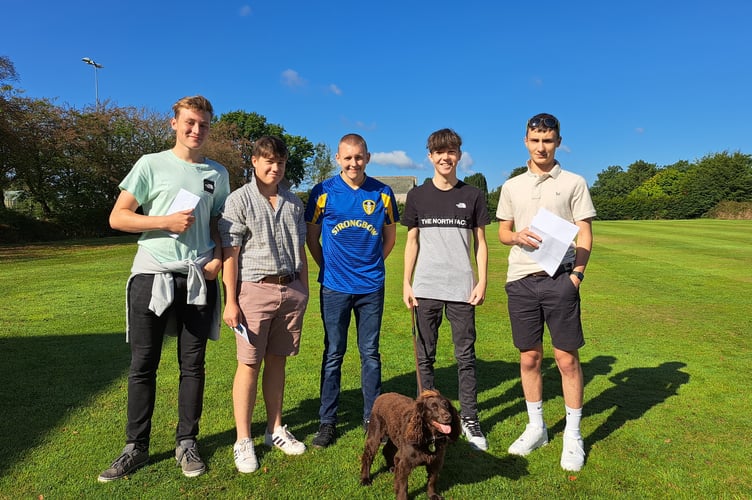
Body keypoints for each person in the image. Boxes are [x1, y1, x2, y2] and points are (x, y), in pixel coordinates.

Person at [98, 95, 230, 482]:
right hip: (151, 276)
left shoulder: (217, 173)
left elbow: (218, 223)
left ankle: (186, 442)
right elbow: (118, 217)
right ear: (174, 123)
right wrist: (165, 222)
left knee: (193, 366)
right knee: (143, 366)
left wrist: (218, 258)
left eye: (203, 124)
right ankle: (134, 447)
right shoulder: (150, 164)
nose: (196, 130)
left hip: (197, 278)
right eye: (190, 122)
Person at [497, 113, 596, 471]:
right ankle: (537, 427)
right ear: (526, 141)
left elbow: (584, 233)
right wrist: (516, 236)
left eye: (548, 140)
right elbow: (503, 232)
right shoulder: (512, 186)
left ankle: (573, 435)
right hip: (521, 280)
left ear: (558, 142)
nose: (542, 147)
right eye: (535, 140)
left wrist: (577, 276)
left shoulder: (574, 182)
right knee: (529, 358)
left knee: (567, 359)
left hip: (560, 279)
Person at [219, 135, 309, 473]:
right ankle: (243, 440)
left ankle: (275, 430)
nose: (275, 167)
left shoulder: (294, 202)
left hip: (291, 289)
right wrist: (230, 301)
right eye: (268, 161)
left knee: (278, 362)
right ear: (254, 161)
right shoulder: (238, 200)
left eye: (281, 162)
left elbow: (299, 248)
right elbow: (231, 253)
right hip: (253, 292)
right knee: (249, 364)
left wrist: (303, 286)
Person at [305, 133, 399, 448]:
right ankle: (327, 422)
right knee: (333, 354)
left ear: (367, 158)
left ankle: (373, 420)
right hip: (334, 287)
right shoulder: (323, 192)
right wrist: (328, 267)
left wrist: (371, 265)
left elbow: (390, 237)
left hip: (371, 287)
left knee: (370, 354)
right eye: (347, 158)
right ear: (338, 159)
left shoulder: (383, 193)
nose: (353, 163)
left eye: (358, 157)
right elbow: (312, 238)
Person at [402, 128, 491, 451]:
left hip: (462, 289)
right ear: (430, 156)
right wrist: (406, 282)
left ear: (459, 155)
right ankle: (426, 420)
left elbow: (481, 244)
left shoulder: (474, 195)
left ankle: (469, 419)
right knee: (425, 356)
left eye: (451, 151)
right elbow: (411, 242)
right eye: (439, 152)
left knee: (465, 357)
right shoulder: (417, 196)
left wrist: (482, 280)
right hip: (426, 287)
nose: (445, 157)